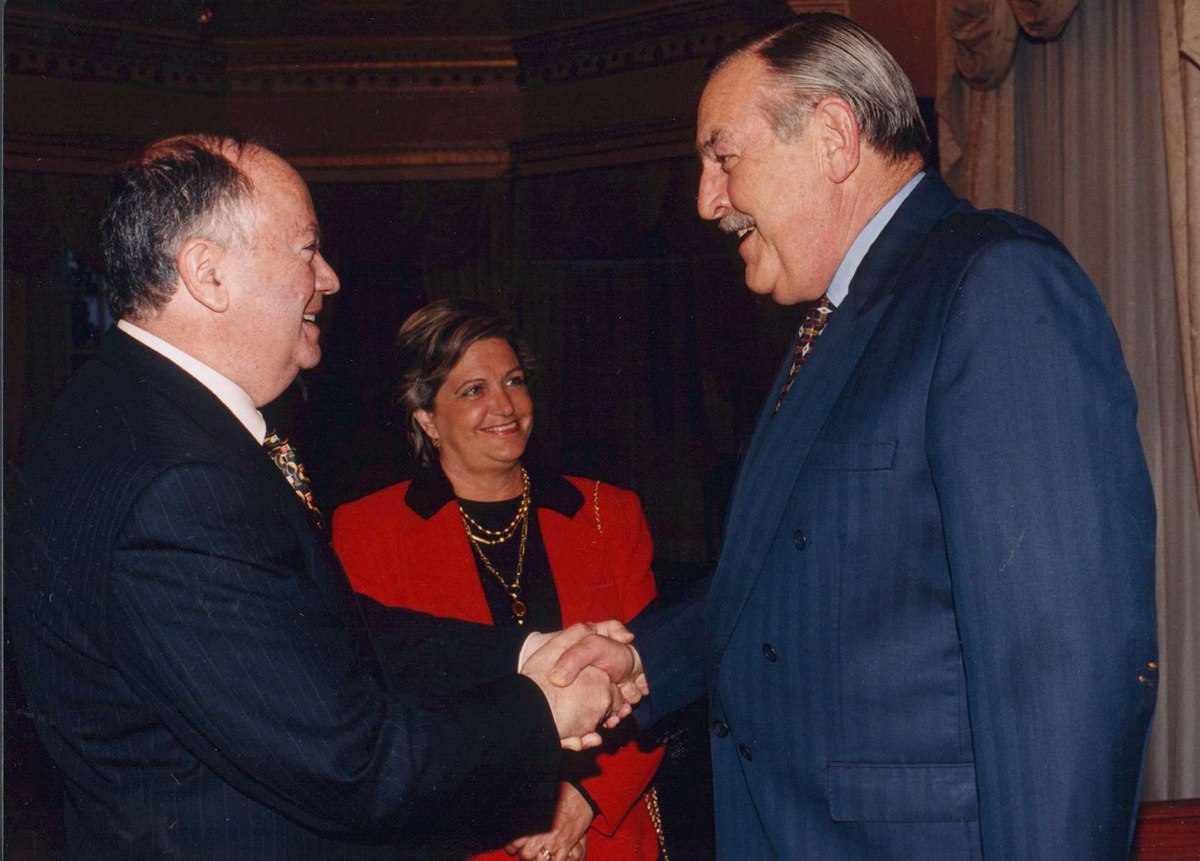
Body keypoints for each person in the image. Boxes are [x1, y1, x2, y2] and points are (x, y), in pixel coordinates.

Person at [554, 13, 1158, 860]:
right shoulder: (839, 319)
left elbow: (1058, 672)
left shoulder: (993, 287)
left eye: (722, 157)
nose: (706, 201)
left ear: (834, 137)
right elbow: (789, 575)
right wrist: (644, 660)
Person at [5, 134, 645, 861]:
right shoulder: (179, 478)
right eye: (307, 249)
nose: (331, 278)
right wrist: (545, 709)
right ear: (208, 275)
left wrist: (530, 652)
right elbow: (352, 764)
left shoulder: (121, 404)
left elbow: (320, 629)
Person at [333, 299, 666, 861]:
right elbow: (385, 710)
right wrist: (516, 805)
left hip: (604, 828)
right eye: (473, 390)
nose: (505, 405)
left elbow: (659, 672)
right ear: (426, 417)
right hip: (464, 838)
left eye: (513, 382)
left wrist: (582, 800)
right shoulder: (367, 530)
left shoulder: (610, 513)